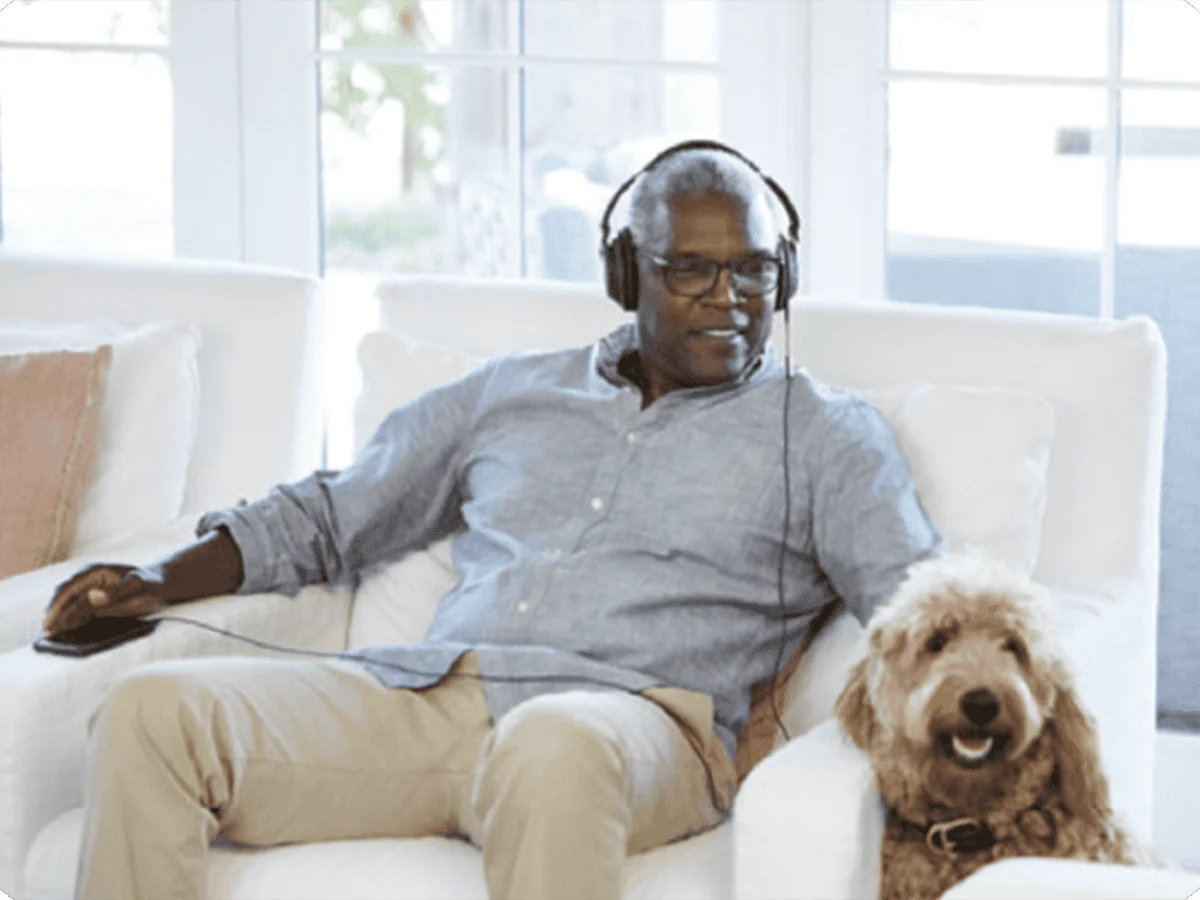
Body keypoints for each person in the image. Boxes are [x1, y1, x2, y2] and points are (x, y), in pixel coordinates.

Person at [42, 141, 943, 900]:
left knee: (552, 744)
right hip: (426, 696)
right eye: (691, 269)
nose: (729, 296)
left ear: (783, 276)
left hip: (628, 729)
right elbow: (334, 514)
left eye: (752, 270)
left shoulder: (826, 434)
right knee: (149, 712)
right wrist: (160, 578)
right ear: (626, 272)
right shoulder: (508, 393)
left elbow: (923, 611)